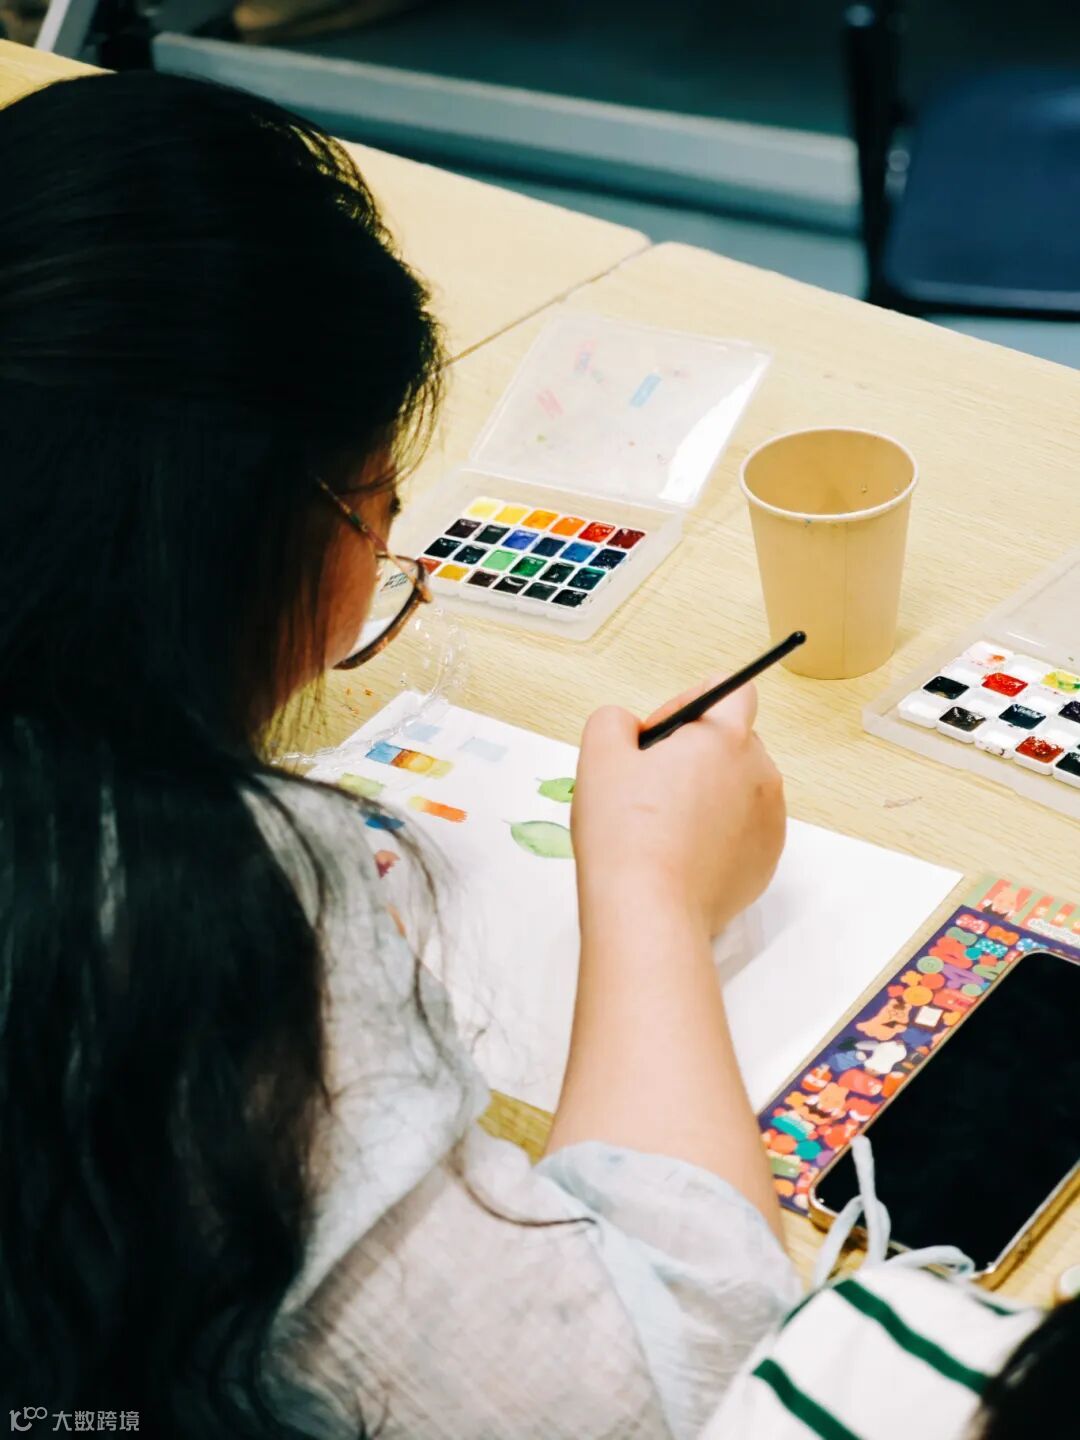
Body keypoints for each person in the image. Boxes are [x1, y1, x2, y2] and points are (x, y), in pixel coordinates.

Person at [0, 68, 1074, 1440]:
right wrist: (651, 893)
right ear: (224, 538)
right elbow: (668, 1383)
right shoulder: (171, 940)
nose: (386, 562)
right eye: (379, 510)